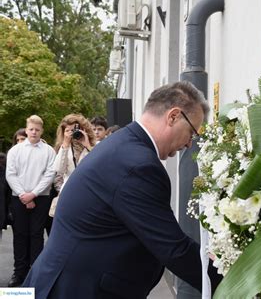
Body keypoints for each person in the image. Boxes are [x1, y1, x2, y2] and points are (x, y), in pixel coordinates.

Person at [23, 82, 221, 298]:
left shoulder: (125, 144)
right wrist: (240, 283)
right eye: (192, 133)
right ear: (173, 116)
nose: (189, 144)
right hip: (75, 289)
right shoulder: (138, 165)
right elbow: (173, 248)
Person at [5, 115, 56, 287]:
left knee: (36, 235)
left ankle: (36, 273)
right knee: (19, 235)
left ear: (41, 131)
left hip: (40, 198)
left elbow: (49, 175)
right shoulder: (15, 151)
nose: (34, 132)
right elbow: (10, 174)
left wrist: (33, 194)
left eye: (37, 129)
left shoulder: (49, 151)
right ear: (26, 130)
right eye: (31, 129)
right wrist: (23, 195)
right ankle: (19, 273)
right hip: (18, 198)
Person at [48, 114, 95, 217]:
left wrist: (87, 145)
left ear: (84, 129)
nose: (72, 133)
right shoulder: (64, 149)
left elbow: (97, 167)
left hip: (89, 192)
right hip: (69, 193)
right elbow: (59, 169)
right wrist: (65, 144)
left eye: (75, 129)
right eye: (68, 130)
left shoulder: (95, 146)